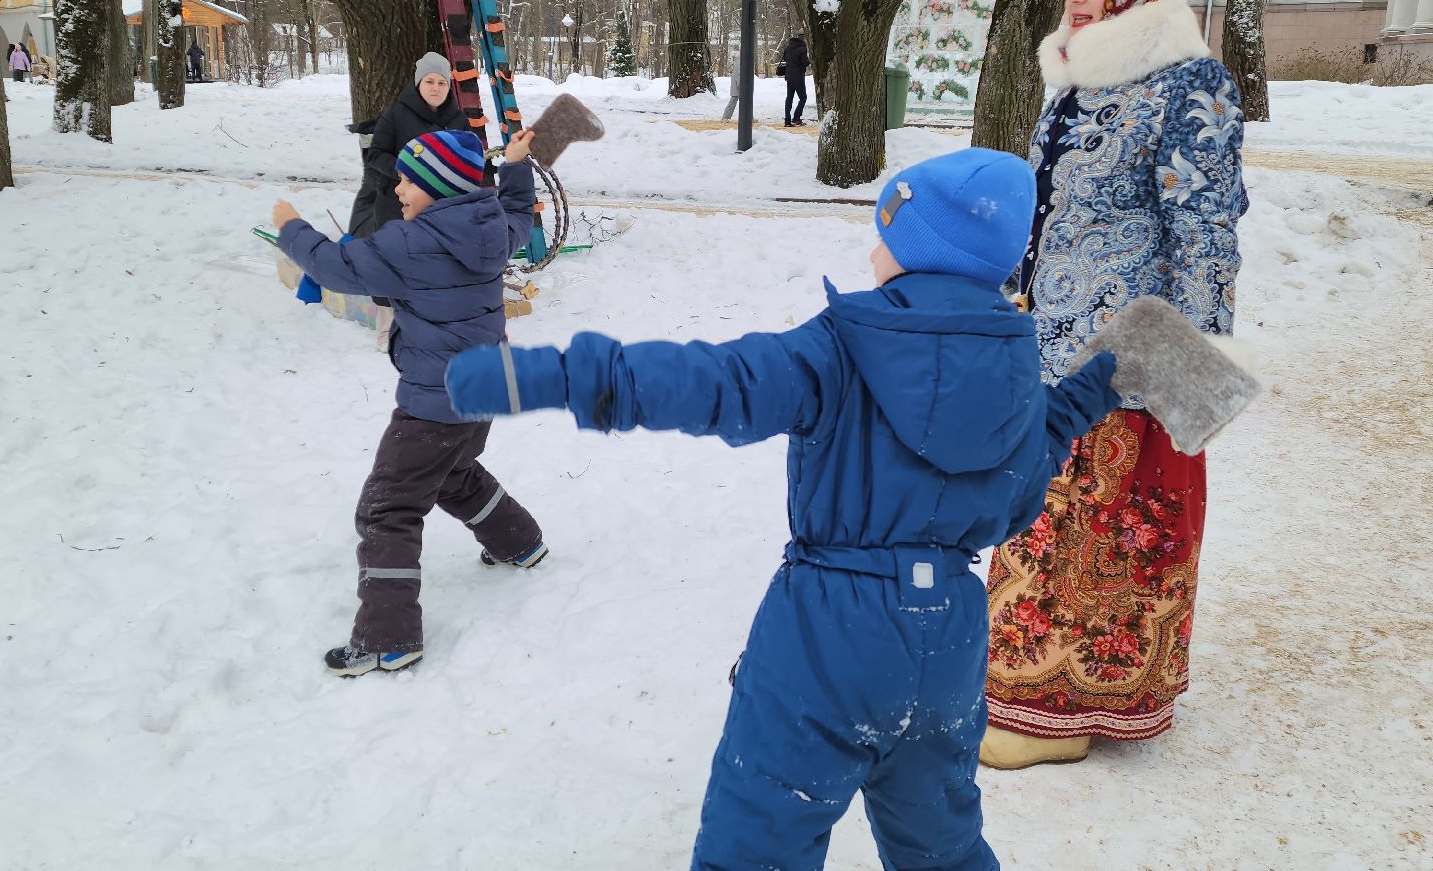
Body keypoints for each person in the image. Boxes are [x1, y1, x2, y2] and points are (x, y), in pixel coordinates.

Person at [442, 149, 1127, 869]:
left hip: (829, 635)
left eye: (886, 237)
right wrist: (1097, 387)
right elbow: (1017, 493)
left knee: (759, 841)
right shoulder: (1016, 368)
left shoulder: (841, 346)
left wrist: (553, 376)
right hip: (948, 644)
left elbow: (712, 381)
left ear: (916, 251)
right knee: (942, 846)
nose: (873, 252)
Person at [979, 0, 1248, 770]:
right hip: (1047, 344)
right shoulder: (1075, 81)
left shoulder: (1187, 83)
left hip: (1127, 355)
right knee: (1040, 515)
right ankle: (1026, 688)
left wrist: (1188, 364)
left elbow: (1204, 229)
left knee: (1100, 528)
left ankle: (1067, 707)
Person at [270, 127, 548, 677]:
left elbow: (335, 268)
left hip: (431, 403)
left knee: (388, 508)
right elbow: (519, 211)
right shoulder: (490, 227)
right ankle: (520, 542)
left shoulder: (409, 243)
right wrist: (515, 165)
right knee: (454, 473)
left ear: (440, 187)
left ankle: (386, 638)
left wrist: (291, 228)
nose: (398, 190)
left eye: (409, 181)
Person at [348, 52, 467, 239]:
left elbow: (465, 163)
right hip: (396, 207)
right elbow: (376, 154)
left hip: (441, 210)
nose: (436, 88)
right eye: (430, 81)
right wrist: (405, 171)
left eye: (441, 83)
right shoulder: (396, 114)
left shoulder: (459, 121)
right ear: (418, 83)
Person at [781, 34, 810, 126]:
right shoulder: (802, 49)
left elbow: (785, 58)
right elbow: (804, 63)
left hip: (789, 75)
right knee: (803, 97)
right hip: (798, 76)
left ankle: (787, 120)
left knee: (789, 97)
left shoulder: (788, 47)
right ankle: (797, 117)